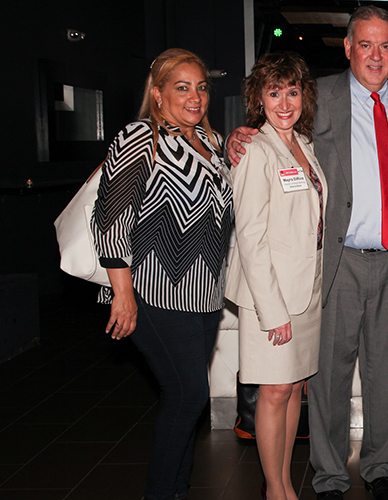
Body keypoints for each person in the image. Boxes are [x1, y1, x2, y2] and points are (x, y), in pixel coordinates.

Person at [228, 6, 388, 499]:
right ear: (348, 47)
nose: (376, 55)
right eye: (364, 44)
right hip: (336, 262)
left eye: (386, 45)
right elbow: (271, 135)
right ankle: (327, 475)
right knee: (327, 376)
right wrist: (235, 138)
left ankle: (381, 468)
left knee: (386, 375)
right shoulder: (316, 97)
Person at [91, 48, 233, 500]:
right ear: (157, 93)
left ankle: (176, 491)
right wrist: (122, 293)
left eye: (202, 87)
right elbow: (110, 218)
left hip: (205, 297)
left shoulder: (211, 143)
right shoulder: (140, 136)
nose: (195, 97)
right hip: (153, 293)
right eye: (182, 87)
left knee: (188, 401)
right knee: (187, 395)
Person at [224, 51, 324, 500]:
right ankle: (276, 490)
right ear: (258, 99)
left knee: (294, 389)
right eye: (273, 92)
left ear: (304, 95)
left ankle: (282, 483)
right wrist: (272, 311)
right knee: (275, 390)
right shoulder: (254, 150)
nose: (284, 102)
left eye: (292, 91)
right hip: (272, 294)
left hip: (307, 290)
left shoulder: (304, 145)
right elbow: (249, 237)